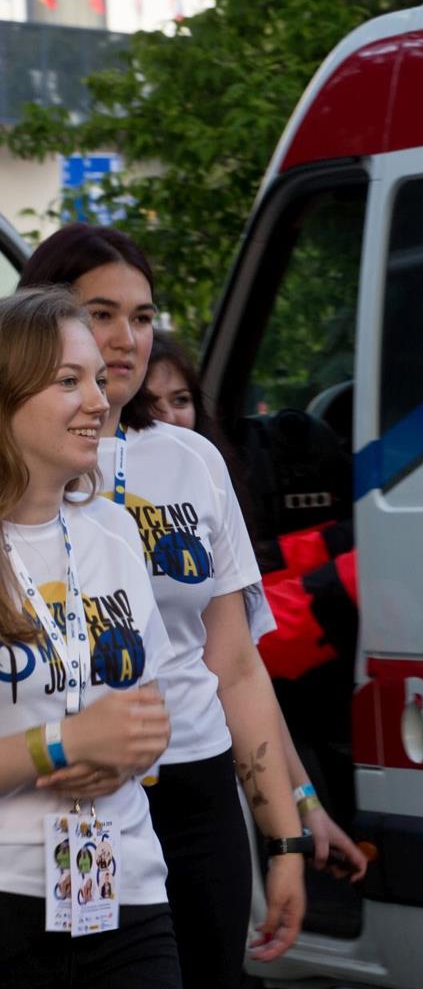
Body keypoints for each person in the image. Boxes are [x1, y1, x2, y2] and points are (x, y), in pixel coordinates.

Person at [20, 225, 313, 987]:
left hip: (191, 784)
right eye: (101, 314)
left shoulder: (191, 459)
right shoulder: (37, 478)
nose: (126, 339)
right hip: (62, 801)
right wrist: (62, 745)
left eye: (143, 317)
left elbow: (236, 665)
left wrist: (285, 835)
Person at [136, 326, 367, 877]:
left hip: (208, 781)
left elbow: (242, 674)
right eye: (149, 407)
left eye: (181, 400)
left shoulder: (209, 485)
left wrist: (303, 807)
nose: (169, 419)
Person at [0, 286, 177, 987]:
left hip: (124, 886)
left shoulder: (113, 529)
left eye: (99, 381)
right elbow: (77, 735)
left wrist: (128, 749)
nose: (99, 402)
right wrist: (62, 744)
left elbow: (152, 711)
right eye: (68, 381)